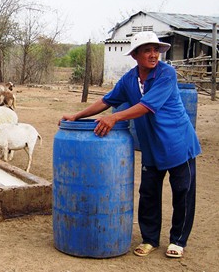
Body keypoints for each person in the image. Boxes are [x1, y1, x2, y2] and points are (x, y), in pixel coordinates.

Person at [60, 31, 201, 258]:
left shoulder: (167, 74)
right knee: (148, 193)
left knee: (182, 193)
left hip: (178, 144)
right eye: (147, 50)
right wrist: (76, 116)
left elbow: (146, 106)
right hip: (151, 146)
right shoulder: (129, 79)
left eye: (156, 50)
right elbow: (106, 101)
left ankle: (178, 240)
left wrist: (115, 117)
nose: (154, 55)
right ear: (135, 55)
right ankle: (150, 239)